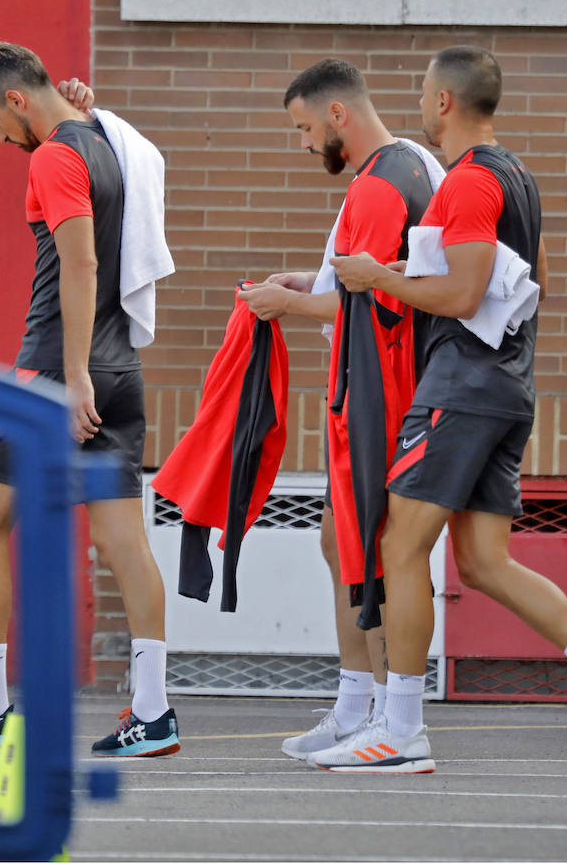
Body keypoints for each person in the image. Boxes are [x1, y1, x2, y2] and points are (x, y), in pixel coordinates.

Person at [317, 45, 567, 776]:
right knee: (480, 561)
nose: (418, 104)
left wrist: (378, 277)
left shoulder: (470, 180)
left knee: (398, 547)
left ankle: (401, 729)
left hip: (463, 389)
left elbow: (464, 294)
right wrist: (407, 273)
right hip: (506, 388)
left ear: (443, 101)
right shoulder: (516, 176)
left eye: (423, 93)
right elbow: (527, 281)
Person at [0, 43, 179, 758]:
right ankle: (153, 714)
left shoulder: (56, 155)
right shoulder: (109, 141)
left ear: (17, 99)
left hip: (60, 374)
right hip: (121, 367)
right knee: (123, 542)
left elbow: (81, 262)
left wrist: (73, 374)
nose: (0, 140)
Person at [236, 58, 437, 762]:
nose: (303, 143)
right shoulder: (405, 164)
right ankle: (361, 705)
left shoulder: (379, 185)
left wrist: (287, 304)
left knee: (373, 550)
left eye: (304, 128)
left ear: (337, 115)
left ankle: (387, 714)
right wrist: (308, 281)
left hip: (382, 393)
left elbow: (372, 304)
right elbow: (361, 283)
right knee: (344, 543)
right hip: (383, 386)